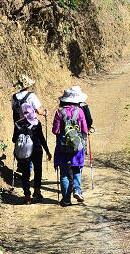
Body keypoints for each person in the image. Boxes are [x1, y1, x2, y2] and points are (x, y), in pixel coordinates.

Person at [11, 74, 52, 205]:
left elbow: (13, 137)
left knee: (25, 171)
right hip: (36, 145)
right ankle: (37, 191)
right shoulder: (32, 97)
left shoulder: (13, 98)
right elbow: (39, 112)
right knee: (38, 168)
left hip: (21, 137)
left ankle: (27, 196)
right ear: (27, 85)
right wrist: (45, 113)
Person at [52, 85, 91, 206]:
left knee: (64, 172)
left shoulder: (59, 112)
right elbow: (84, 129)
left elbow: (55, 130)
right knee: (76, 169)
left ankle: (66, 199)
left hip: (62, 147)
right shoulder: (79, 111)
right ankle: (78, 191)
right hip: (77, 146)